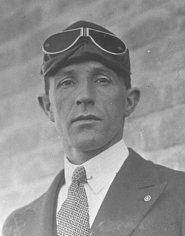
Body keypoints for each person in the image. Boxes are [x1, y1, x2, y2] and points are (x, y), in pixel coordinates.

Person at [2, 20, 185, 236]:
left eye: (102, 80)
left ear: (129, 101)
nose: (85, 96)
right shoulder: (18, 226)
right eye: (67, 82)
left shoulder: (179, 195)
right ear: (48, 107)